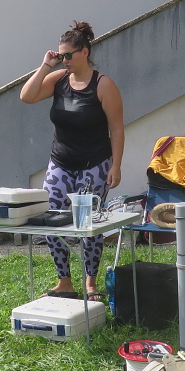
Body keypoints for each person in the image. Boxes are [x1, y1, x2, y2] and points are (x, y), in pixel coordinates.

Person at [20, 21, 124, 302]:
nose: (64, 60)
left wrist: (116, 165)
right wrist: (46, 66)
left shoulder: (103, 85)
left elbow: (116, 128)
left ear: (85, 52)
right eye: (60, 55)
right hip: (61, 163)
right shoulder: (58, 80)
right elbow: (26, 96)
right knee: (50, 219)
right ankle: (64, 281)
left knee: (87, 226)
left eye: (68, 55)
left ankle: (91, 282)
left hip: (94, 164)